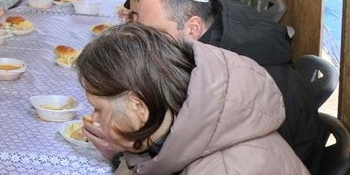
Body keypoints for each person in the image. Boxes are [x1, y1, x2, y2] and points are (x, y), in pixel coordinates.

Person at [130, 0, 323, 172]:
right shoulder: (218, 31)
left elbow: (198, 147)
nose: (145, 44)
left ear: (193, 28)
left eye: (153, 34)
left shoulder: (239, 75)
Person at [76, 23, 310, 174]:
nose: (94, 118)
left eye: (98, 109)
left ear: (139, 107)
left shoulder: (226, 169)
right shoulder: (169, 127)